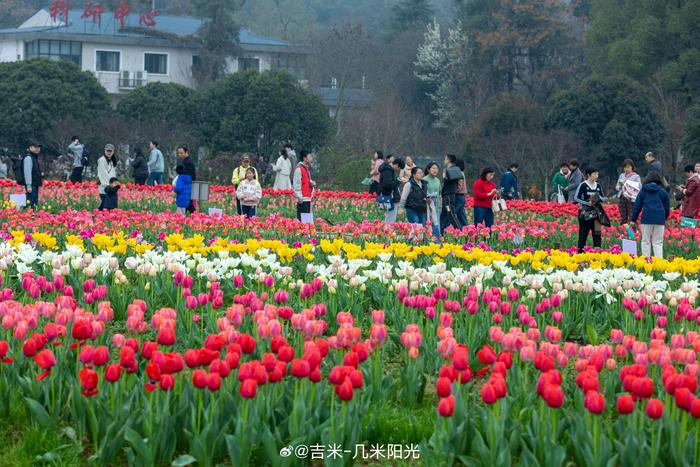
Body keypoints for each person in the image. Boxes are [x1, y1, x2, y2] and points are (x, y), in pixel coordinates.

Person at [630, 172, 670, 258]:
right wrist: (665, 218)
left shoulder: (643, 191)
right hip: (659, 219)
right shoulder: (663, 191)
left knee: (645, 241)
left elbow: (637, 206)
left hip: (646, 218)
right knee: (658, 242)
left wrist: (633, 219)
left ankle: (646, 262)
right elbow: (667, 207)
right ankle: (658, 264)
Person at [574, 167, 607, 253]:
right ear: (589, 175)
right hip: (585, 213)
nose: (596, 176)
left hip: (596, 214)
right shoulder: (583, 185)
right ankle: (580, 253)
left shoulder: (598, 186)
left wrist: (599, 198)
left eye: (597, 174)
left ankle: (597, 253)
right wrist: (587, 203)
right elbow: (576, 198)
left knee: (597, 234)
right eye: (595, 174)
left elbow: (603, 198)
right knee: (583, 234)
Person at [615, 159, 642, 225]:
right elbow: (617, 187)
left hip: (631, 198)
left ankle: (633, 233)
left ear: (632, 167)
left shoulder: (636, 176)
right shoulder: (621, 175)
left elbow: (639, 187)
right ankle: (624, 232)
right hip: (622, 197)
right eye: (625, 167)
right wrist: (621, 187)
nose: (626, 169)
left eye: (628, 167)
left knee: (631, 216)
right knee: (623, 217)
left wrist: (629, 185)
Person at [379, 157, 404, 225]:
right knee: (390, 217)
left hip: (386, 196)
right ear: (396, 165)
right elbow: (388, 185)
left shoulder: (387, 170)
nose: (398, 170)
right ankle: (388, 232)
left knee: (389, 215)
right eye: (399, 168)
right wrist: (398, 181)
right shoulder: (388, 171)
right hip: (389, 196)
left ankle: (387, 231)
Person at [293, 150, 316, 221]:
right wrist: (299, 196)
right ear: (304, 158)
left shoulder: (306, 169)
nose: (311, 158)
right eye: (309, 157)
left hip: (307, 198)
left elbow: (306, 181)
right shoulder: (299, 169)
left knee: (307, 221)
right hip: (302, 199)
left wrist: (311, 183)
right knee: (303, 221)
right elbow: (296, 184)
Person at [441, 154, 462, 230]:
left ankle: (459, 231)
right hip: (449, 195)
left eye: (445, 159)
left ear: (448, 160)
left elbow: (446, 182)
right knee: (443, 214)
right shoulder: (456, 169)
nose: (444, 160)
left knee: (451, 214)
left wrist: (444, 177)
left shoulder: (448, 170)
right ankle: (441, 232)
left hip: (448, 196)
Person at [423, 162, 442, 240]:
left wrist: (440, 206)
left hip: (436, 206)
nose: (435, 170)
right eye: (433, 168)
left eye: (436, 168)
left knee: (436, 225)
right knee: (427, 225)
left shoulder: (437, 180)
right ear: (428, 169)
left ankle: (437, 242)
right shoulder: (424, 180)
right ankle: (427, 242)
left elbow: (439, 193)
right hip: (426, 207)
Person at [22, 140, 43, 209]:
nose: (38, 148)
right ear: (30, 148)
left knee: (34, 203)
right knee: (30, 203)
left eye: (39, 147)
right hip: (31, 185)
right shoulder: (28, 158)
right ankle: (27, 216)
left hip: (35, 184)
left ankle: (33, 217)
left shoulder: (34, 157)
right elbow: (27, 172)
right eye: (35, 147)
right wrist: (28, 185)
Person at [97, 144, 118, 210]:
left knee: (105, 207)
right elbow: (102, 174)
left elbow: (112, 174)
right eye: (107, 151)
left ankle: (95, 217)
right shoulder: (102, 160)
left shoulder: (111, 161)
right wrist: (109, 186)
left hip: (110, 188)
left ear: (113, 152)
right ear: (105, 151)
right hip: (105, 188)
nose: (109, 152)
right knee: (105, 207)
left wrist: (114, 184)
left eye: (110, 151)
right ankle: (95, 217)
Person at [177, 146, 197, 214]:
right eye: (179, 153)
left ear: (186, 152)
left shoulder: (188, 162)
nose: (180, 155)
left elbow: (191, 176)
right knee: (187, 204)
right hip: (186, 186)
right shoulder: (185, 161)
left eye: (181, 153)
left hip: (188, 186)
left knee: (189, 204)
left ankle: (195, 216)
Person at [454, 158, 469, 228]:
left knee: (453, 213)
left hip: (459, 195)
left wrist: (452, 191)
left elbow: (459, 186)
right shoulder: (462, 173)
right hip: (461, 196)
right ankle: (464, 230)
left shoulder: (459, 173)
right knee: (461, 215)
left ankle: (465, 230)